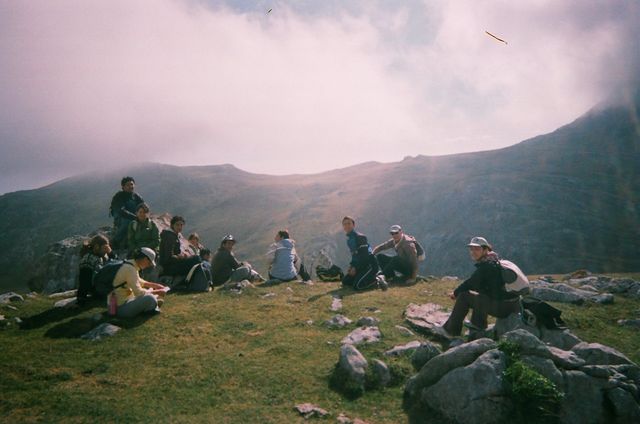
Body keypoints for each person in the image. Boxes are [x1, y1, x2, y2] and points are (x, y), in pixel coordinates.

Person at [433, 237, 520, 338]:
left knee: (464, 297)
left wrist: (455, 293)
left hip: (504, 308)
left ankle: (450, 331)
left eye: (477, 249)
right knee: (479, 296)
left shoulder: (487, 266)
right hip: (512, 305)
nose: (473, 252)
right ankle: (477, 326)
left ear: (486, 250)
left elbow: (470, 283)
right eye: (471, 249)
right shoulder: (495, 262)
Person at [109, 247, 167, 318]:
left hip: (117, 305)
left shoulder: (129, 264)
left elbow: (139, 280)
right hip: (121, 308)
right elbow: (138, 292)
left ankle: (152, 304)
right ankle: (152, 305)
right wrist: (157, 292)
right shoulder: (130, 269)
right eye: (149, 263)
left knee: (150, 292)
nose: (148, 265)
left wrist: (155, 285)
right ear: (145, 259)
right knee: (150, 298)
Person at [341, 216, 385, 291]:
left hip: (370, 265)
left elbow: (365, 256)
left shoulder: (360, 237)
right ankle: (366, 277)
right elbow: (355, 255)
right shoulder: (349, 239)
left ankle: (377, 279)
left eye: (349, 223)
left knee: (357, 286)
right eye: (344, 224)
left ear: (353, 225)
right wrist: (351, 266)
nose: (347, 226)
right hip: (361, 265)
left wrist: (355, 268)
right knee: (345, 281)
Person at [109, 176, 145, 250]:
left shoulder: (136, 196)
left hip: (133, 216)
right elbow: (121, 211)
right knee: (128, 222)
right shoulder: (119, 196)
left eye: (132, 184)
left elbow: (143, 207)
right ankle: (115, 241)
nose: (130, 186)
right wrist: (136, 217)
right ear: (123, 187)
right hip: (121, 217)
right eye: (128, 185)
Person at [77, 234, 114, 305]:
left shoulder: (101, 255)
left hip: (102, 282)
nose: (106, 251)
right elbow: (84, 280)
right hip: (97, 288)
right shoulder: (88, 259)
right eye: (104, 248)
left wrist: (111, 253)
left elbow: (115, 264)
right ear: (97, 247)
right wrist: (81, 298)